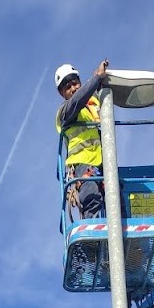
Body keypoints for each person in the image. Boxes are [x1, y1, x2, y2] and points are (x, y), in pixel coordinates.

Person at [54, 60, 110, 220]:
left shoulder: (93, 105)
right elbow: (77, 100)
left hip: (103, 164)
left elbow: (92, 95)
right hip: (82, 165)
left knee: (118, 201)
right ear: (62, 93)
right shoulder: (65, 112)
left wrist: (99, 81)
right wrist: (96, 79)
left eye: (75, 83)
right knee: (92, 199)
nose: (73, 88)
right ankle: (91, 234)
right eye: (68, 87)